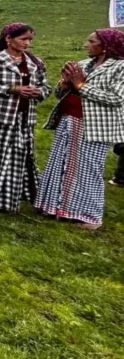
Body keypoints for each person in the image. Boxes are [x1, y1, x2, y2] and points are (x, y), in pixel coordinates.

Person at [36, 29, 124, 230]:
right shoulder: (83, 65)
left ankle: (89, 215)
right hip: (68, 119)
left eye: (91, 41)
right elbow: (61, 94)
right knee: (61, 163)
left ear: (106, 46)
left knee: (87, 169)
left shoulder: (120, 68)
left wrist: (81, 85)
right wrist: (65, 83)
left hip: (94, 126)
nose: (86, 45)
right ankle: (57, 207)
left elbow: (116, 98)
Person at [0, 23, 51, 213]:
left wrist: (37, 92)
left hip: (24, 118)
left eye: (30, 39)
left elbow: (46, 88)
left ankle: (9, 198)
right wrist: (11, 89)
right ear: (8, 39)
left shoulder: (35, 63)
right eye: (23, 39)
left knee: (17, 156)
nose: (27, 43)